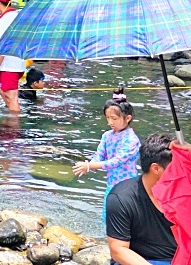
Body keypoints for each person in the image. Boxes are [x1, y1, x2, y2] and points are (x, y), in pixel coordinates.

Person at [106, 134, 181, 265]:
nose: (182, 172)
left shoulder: (185, 193)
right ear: (156, 168)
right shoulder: (121, 198)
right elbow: (118, 249)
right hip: (140, 260)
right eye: (176, 168)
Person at [74, 89, 141, 215]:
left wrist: (90, 166)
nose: (110, 122)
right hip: (111, 185)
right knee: (108, 216)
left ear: (128, 118)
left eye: (114, 118)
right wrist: (89, 166)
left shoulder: (132, 140)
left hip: (128, 186)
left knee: (125, 218)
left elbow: (117, 161)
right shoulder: (107, 136)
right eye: (108, 118)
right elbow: (99, 155)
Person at [0, 0, 24, 113]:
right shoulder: (15, 16)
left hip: (8, 64)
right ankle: (10, 119)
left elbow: (4, 44)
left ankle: (13, 127)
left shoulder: (6, 19)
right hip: (16, 62)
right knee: (4, 93)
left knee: (11, 97)